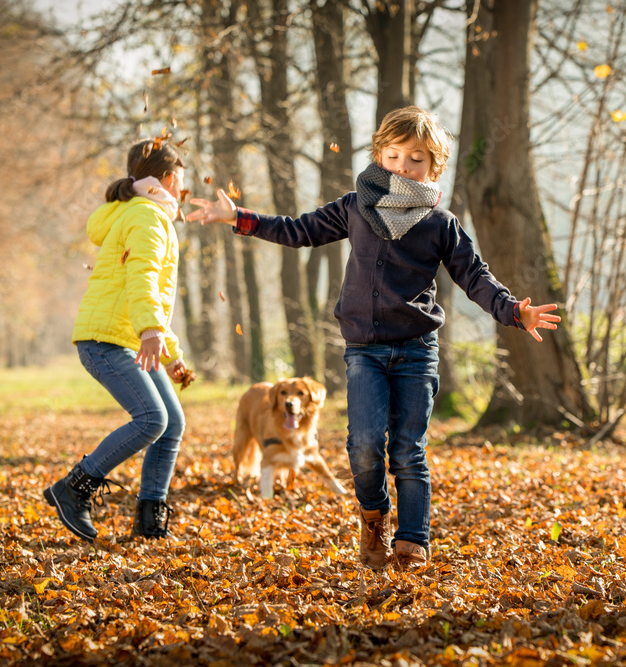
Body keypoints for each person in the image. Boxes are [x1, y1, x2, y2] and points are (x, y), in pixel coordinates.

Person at [187, 106, 561, 570]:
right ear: (379, 155)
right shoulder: (354, 207)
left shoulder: (440, 223)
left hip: (416, 351)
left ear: (434, 166)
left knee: (408, 449)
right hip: (364, 350)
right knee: (363, 445)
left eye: (416, 158)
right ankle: (373, 518)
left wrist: (513, 310)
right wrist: (239, 217)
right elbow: (299, 230)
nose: (404, 166)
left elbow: (474, 276)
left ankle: (412, 540)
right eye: (394, 155)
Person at [45, 138, 189, 543]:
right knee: (152, 419)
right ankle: (73, 488)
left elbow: (153, 297)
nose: (181, 187)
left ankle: (148, 520)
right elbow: (141, 276)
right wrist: (149, 332)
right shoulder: (147, 216)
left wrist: (170, 352)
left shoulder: (135, 212)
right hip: (105, 340)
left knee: (172, 422)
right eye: (180, 179)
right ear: (169, 177)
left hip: (121, 336)